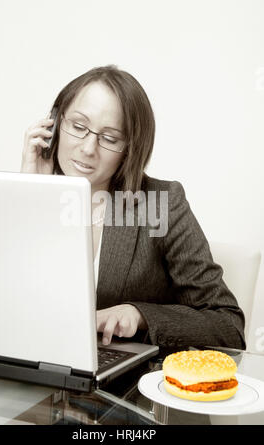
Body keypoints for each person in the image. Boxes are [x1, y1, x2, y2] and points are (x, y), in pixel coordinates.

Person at [21, 65, 246, 350]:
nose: (88, 148)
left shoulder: (160, 203)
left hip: (122, 385)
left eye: (110, 139)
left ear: (130, 148)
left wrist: (139, 315)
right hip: (32, 371)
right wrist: (30, 193)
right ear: (54, 123)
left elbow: (227, 325)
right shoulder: (31, 194)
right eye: (78, 127)